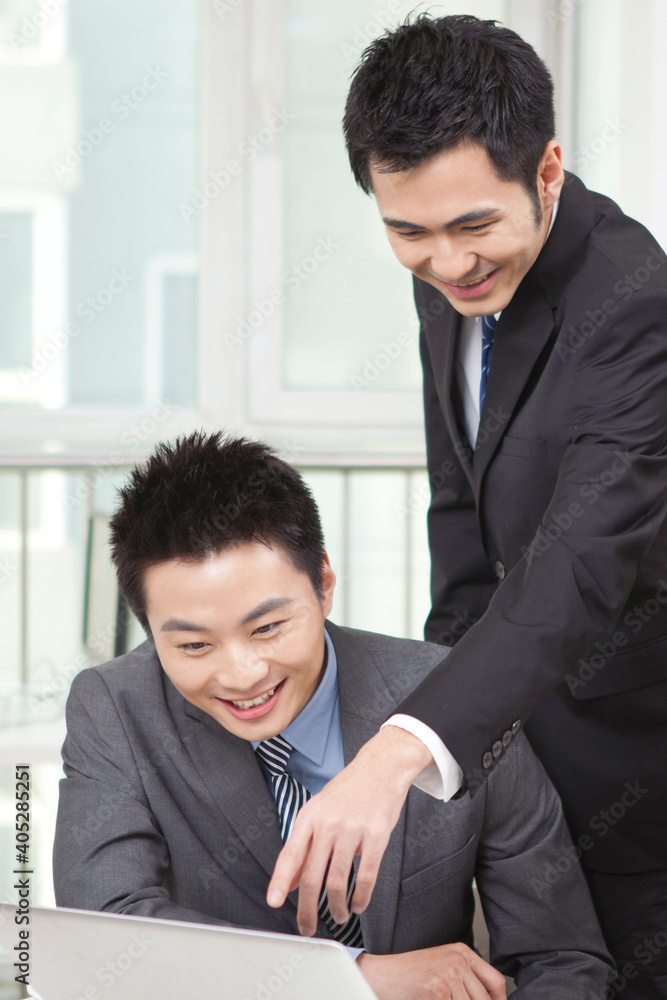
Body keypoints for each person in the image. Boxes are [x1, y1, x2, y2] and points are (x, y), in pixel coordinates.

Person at [265, 14, 667, 998]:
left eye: (472, 226)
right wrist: (442, 717)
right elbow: (463, 520)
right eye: (408, 232)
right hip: (504, 757)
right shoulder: (448, 280)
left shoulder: (634, 302)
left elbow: (575, 562)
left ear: (546, 170)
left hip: (635, 773)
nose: (446, 266)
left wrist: (402, 747)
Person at [53, 432, 614, 999]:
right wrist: (354, 975)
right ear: (149, 630)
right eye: (195, 646)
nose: (242, 674)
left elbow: (564, 959)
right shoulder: (115, 708)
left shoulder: (454, 698)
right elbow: (107, 925)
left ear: (323, 583)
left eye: (268, 628)